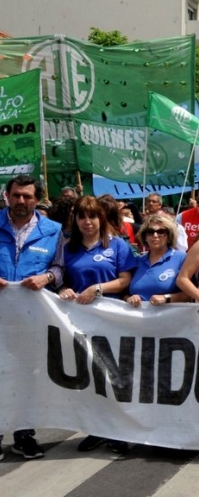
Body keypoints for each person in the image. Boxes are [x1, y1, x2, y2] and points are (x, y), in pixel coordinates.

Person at [57, 196, 137, 455]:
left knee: (115, 377)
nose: (87, 222)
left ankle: (118, 431)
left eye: (92, 216)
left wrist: (97, 289)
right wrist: (65, 290)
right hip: (80, 323)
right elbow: (62, 280)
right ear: (75, 220)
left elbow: (125, 280)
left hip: (113, 321)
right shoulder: (68, 249)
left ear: (101, 218)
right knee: (90, 377)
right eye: (82, 216)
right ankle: (97, 429)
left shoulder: (118, 246)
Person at [0, 175, 64, 460]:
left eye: (27, 196)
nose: (21, 201)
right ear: (7, 196)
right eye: (16, 195)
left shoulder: (53, 230)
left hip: (32, 319)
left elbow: (61, 269)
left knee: (27, 377)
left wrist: (47, 276)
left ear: (37, 199)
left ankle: (24, 435)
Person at [124, 214, 189, 307]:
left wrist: (167, 298)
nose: (155, 235)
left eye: (161, 231)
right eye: (150, 232)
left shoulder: (182, 258)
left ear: (169, 236)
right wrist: (128, 298)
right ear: (145, 237)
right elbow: (124, 293)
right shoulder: (137, 261)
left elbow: (192, 294)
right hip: (138, 319)